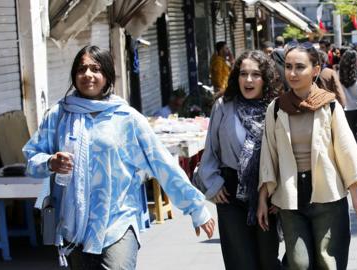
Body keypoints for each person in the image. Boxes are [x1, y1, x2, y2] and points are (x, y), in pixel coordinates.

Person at [23, 46, 215, 269]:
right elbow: (31, 160)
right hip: (73, 228)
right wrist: (49, 163)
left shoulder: (126, 118)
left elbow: (161, 162)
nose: (87, 74)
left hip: (117, 222)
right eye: (81, 69)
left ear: (107, 75)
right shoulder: (58, 115)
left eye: (95, 69)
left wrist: (196, 207)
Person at [257, 44, 357, 270]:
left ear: (315, 70)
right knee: (299, 263)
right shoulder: (277, 107)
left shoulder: (329, 105)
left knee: (328, 261)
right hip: (290, 195)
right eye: (288, 67)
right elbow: (268, 154)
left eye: (300, 67)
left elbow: (345, 150)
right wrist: (263, 198)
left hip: (327, 192)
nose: (292, 73)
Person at [197, 50, 281, 270]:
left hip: (267, 191)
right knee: (240, 262)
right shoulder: (223, 106)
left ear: (265, 78)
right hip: (230, 192)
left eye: (255, 74)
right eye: (243, 74)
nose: (249, 80)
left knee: (268, 261)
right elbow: (211, 151)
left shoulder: (276, 108)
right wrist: (214, 184)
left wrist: (280, 193)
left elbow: (285, 156)